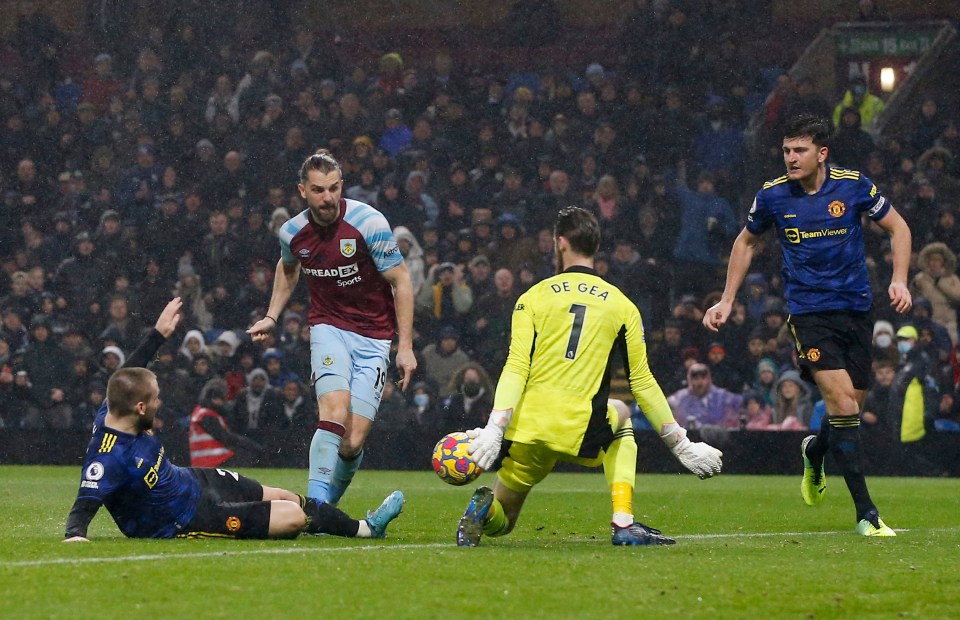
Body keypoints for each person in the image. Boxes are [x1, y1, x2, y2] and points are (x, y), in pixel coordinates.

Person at [457, 207, 723, 548]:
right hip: (579, 426)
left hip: (526, 426)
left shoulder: (532, 297)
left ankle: (484, 512)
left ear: (560, 243)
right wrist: (680, 444)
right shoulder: (621, 305)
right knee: (622, 413)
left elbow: (516, 367)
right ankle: (623, 521)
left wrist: (496, 427)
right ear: (594, 248)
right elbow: (641, 382)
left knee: (503, 519)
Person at [704, 113, 913, 536]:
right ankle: (866, 514)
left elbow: (898, 227)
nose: (791, 158)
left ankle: (815, 450)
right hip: (808, 313)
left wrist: (899, 280)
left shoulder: (853, 186)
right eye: (786, 150)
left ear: (822, 153)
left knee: (850, 406)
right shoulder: (773, 196)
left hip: (856, 310)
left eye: (800, 150)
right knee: (843, 406)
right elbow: (746, 241)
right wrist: (727, 299)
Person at [64, 298, 404, 542]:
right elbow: (83, 505)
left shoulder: (116, 406)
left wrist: (158, 333)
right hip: (186, 519)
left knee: (287, 496)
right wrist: (75, 537)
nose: (160, 401)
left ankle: (365, 528)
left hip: (194, 480)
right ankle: (358, 527)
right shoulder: (108, 456)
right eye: (155, 399)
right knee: (293, 518)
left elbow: (128, 374)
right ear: (140, 407)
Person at [246, 150, 417, 507]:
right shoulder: (292, 231)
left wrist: (405, 347)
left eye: (334, 189)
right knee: (334, 410)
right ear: (302, 191)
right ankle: (316, 508)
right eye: (319, 190)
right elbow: (288, 266)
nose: (328, 198)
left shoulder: (368, 223)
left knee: (352, 441)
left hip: (374, 336)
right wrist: (272, 315)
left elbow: (401, 281)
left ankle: (327, 508)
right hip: (328, 327)